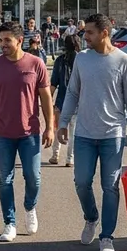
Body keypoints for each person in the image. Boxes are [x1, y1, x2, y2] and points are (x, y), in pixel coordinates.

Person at [58, 13, 127, 251]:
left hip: (112, 135)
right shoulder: (82, 59)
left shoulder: (124, 61)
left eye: (90, 32)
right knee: (82, 182)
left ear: (105, 33)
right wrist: (63, 122)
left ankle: (107, 236)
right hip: (83, 133)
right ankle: (91, 217)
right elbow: (72, 92)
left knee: (110, 186)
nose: (85, 36)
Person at [0, 21, 55, 242]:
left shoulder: (36, 64)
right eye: (0, 40)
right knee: (5, 180)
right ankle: (9, 222)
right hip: (2, 132)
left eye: (7, 40)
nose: (3, 44)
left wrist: (50, 127)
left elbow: (46, 98)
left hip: (30, 132)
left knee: (33, 178)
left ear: (20, 40)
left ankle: (30, 207)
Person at [48, 34, 81, 166]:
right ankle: (70, 158)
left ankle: (55, 155)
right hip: (79, 101)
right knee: (73, 131)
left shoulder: (60, 60)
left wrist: (48, 101)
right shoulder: (82, 59)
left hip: (62, 100)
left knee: (58, 128)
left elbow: (53, 83)